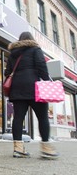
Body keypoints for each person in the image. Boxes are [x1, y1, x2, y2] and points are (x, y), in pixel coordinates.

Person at [4, 32, 59, 160]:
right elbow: (42, 67)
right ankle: (46, 148)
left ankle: (18, 149)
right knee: (42, 118)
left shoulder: (13, 53)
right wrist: (47, 82)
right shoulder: (35, 49)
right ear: (31, 39)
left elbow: (7, 72)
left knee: (18, 118)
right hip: (35, 88)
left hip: (17, 88)